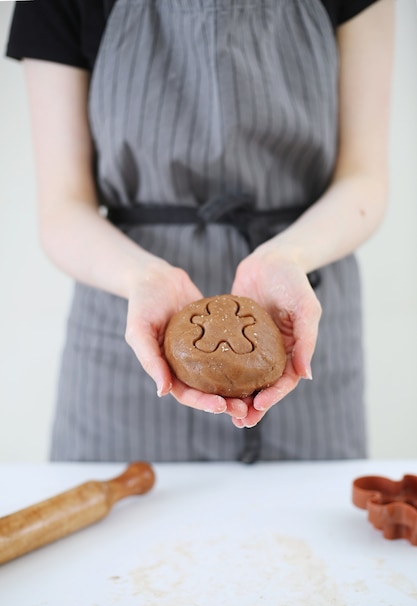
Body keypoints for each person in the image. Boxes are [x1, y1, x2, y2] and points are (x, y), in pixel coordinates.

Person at [6, 0, 394, 462]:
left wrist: (287, 256)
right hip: (130, 325)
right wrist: (142, 278)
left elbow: (363, 177)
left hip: (296, 308)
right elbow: (62, 207)